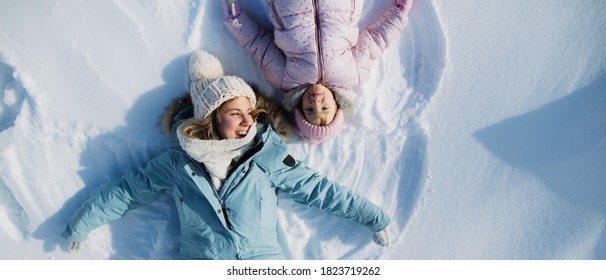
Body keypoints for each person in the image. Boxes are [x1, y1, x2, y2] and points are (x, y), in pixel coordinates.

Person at [61, 50, 392, 259]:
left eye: (250, 112)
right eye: (236, 113)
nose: (248, 120)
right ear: (211, 117)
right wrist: (84, 222)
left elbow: (320, 191)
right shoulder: (179, 163)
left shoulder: (267, 156)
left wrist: (373, 217)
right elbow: (128, 191)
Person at [223, 0, 413, 143]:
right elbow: (376, 41)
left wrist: (236, 20)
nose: (316, 101)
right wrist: (399, 13)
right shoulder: (352, 75)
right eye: (324, 108)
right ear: (338, 105)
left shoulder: (284, 78)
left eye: (309, 110)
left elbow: (259, 45)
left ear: (298, 107)